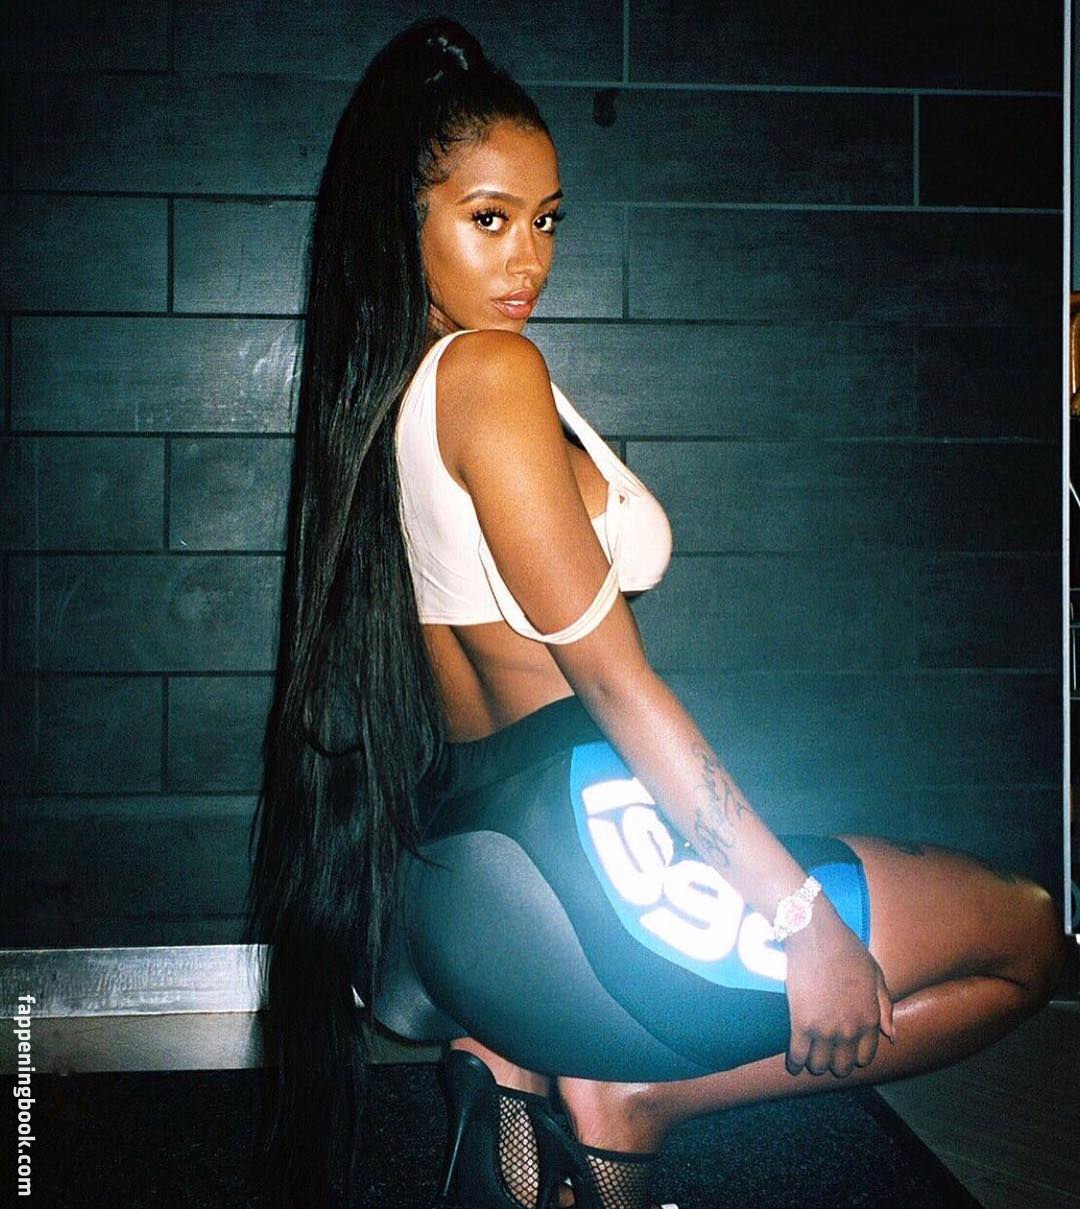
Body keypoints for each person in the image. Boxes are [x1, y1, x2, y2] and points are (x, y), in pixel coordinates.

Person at [244, 17, 1069, 1209]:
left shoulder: (381, 395)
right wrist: (799, 921)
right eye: (488, 218)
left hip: (462, 871)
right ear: (400, 220)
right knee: (1027, 940)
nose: (528, 258)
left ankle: (530, 1098)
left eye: (546, 221)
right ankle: (637, 1101)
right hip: (585, 870)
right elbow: (615, 684)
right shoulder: (490, 376)